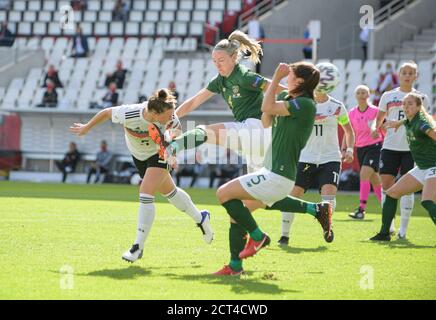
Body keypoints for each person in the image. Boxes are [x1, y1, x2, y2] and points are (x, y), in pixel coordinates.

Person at [212, 61, 333, 276]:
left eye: (290, 75)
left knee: (223, 193)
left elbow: (267, 108)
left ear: (301, 82)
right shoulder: (290, 100)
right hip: (271, 173)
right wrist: (275, 94)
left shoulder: (305, 104)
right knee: (238, 213)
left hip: (279, 175)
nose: (286, 77)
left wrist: (275, 79)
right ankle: (235, 267)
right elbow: (266, 119)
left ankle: (258, 237)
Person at [70, 88, 213, 263]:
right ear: (154, 113)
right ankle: (201, 217)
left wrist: (172, 154)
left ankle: (137, 247)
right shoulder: (131, 113)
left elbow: (176, 136)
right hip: (138, 157)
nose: (172, 117)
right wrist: (86, 127)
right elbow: (107, 112)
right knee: (170, 192)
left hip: (159, 155)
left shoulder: (172, 120)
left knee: (145, 192)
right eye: (168, 114)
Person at [166, 30, 286, 174]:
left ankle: (172, 148)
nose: (217, 65)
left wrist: (304, 97)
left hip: (257, 129)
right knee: (254, 194)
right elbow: (194, 102)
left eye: (221, 60)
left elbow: (276, 88)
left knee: (204, 132)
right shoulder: (219, 80)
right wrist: (171, 118)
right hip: (252, 137)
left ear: (234, 56)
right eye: (215, 61)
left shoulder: (244, 76)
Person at [278, 63, 356, 246]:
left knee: (328, 198)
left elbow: (349, 131)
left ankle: (327, 227)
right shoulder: (303, 103)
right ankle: (284, 235)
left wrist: (349, 149)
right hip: (305, 157)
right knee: (292, 196)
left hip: (330, 158)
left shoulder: (337, 107)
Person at [373, 61, 431, 238]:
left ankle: (403, 230)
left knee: (408, 189)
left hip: (411, 149)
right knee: (386, 185)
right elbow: (379, 119)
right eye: (404, 72)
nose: (407, 75)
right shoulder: (388, 96)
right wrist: (377, 128)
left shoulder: (422, 97)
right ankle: (389, 225)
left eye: (411, 72)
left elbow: (425, 122)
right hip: (390, 146)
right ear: (399, 74)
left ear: (416, 76)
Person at [347, 85, 384, 219]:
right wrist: (346, 148)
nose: (362, 95)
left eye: (364, 92)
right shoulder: (351, 113)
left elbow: (383, 126)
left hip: (374, 147)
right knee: (375, 180)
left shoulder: (375, 111)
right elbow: (349, 132)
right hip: (360, 148)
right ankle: (386, 207)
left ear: (369, 95)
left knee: (364, 174)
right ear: (355, 96)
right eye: (359, 92)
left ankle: (361, 210)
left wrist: (379, 131)